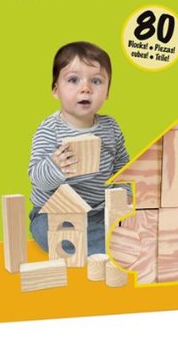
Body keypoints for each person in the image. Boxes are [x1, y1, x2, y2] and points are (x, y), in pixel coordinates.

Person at [28, 41, 130, 255]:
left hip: (100, 210)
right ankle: (105, 246)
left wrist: (125, 197)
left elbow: (123, 167)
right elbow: (37, 178)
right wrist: (55, 166)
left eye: (96, 81)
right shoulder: (50, 129)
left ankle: (110, 241)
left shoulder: (111, 127)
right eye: (73, 80)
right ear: (56, 90)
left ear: (107, 92)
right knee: (46, 231)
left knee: (138, 219)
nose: (86, 88)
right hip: (55, 212)